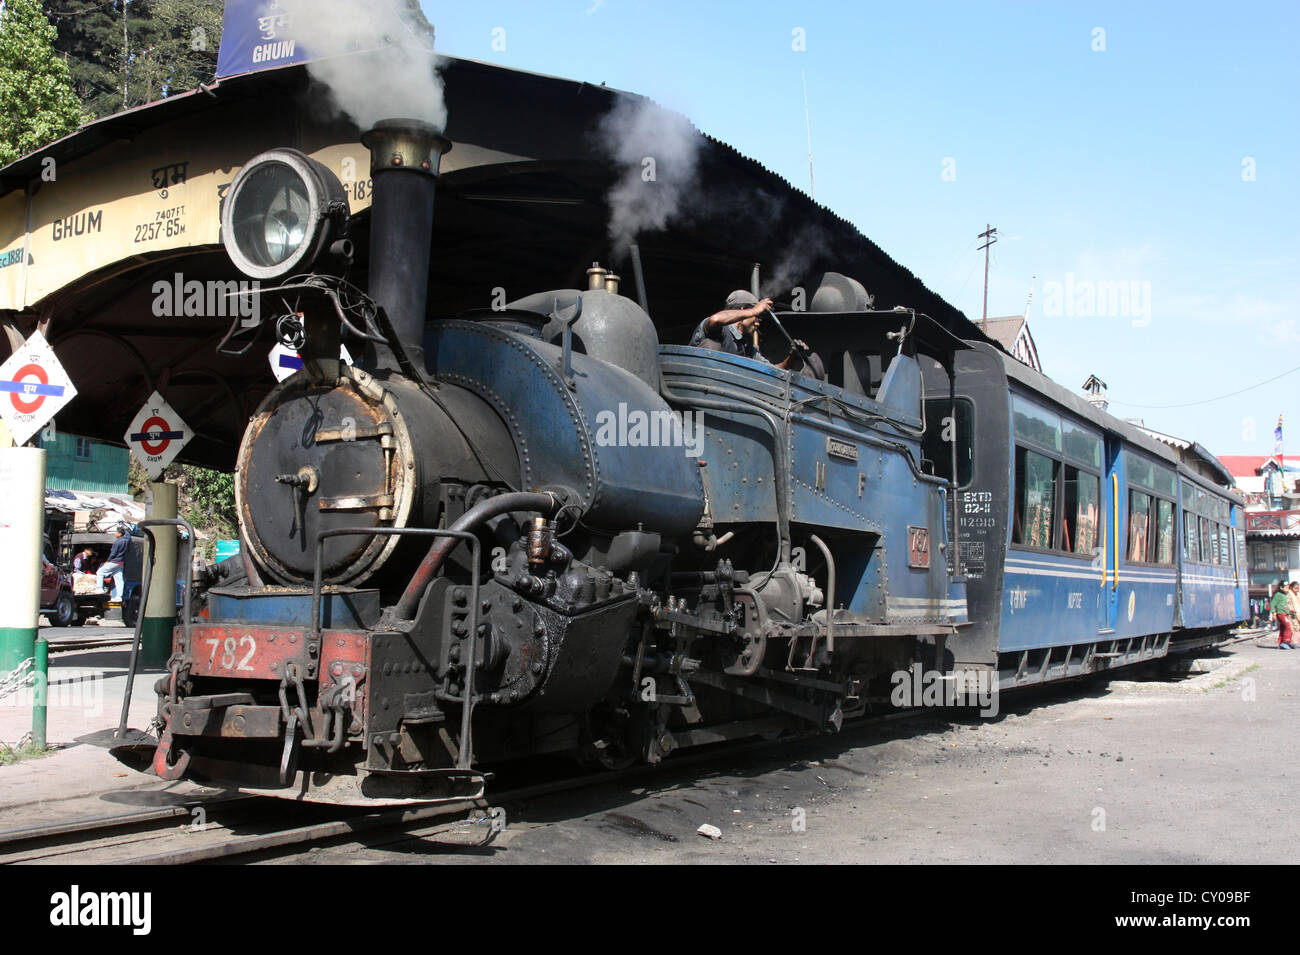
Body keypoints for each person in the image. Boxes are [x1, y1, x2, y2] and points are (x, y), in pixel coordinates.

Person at [689, 290, 807, 370]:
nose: (757, 322)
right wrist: (754, 311)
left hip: (727, 399)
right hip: (697, 392)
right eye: (757, 316)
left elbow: (772, 371)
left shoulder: (748, 348)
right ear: (742, 310)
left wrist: (792, 358)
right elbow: (715, 319)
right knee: (712, 344)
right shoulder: (720, 330)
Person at [96, 528, 128, 601]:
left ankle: (100, 589)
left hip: (114, 561)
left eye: (116, 532)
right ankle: (119, 597)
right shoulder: (126, 541)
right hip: (121, 563)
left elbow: (113, 553)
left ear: (119, 534)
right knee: (119, 580)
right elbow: (128, 535)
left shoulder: (117, 542)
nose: (115, 534)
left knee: (100, 572)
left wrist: (108, 561)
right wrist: (126, 531)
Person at [1271, 580, 1294, 648]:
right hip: (1281, 614)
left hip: (1285, 614)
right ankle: (1286, 641)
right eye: (1286, 587)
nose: (1287, 589)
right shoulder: (1278, 595)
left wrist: (1290, 611)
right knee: (1288, 627)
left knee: (1283, 628)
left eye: (1288, 588)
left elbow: (1284, 606)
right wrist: (1273, 613)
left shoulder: (1284, 595)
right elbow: (1272, 604)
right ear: (1281, 588)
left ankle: (1280, 643)